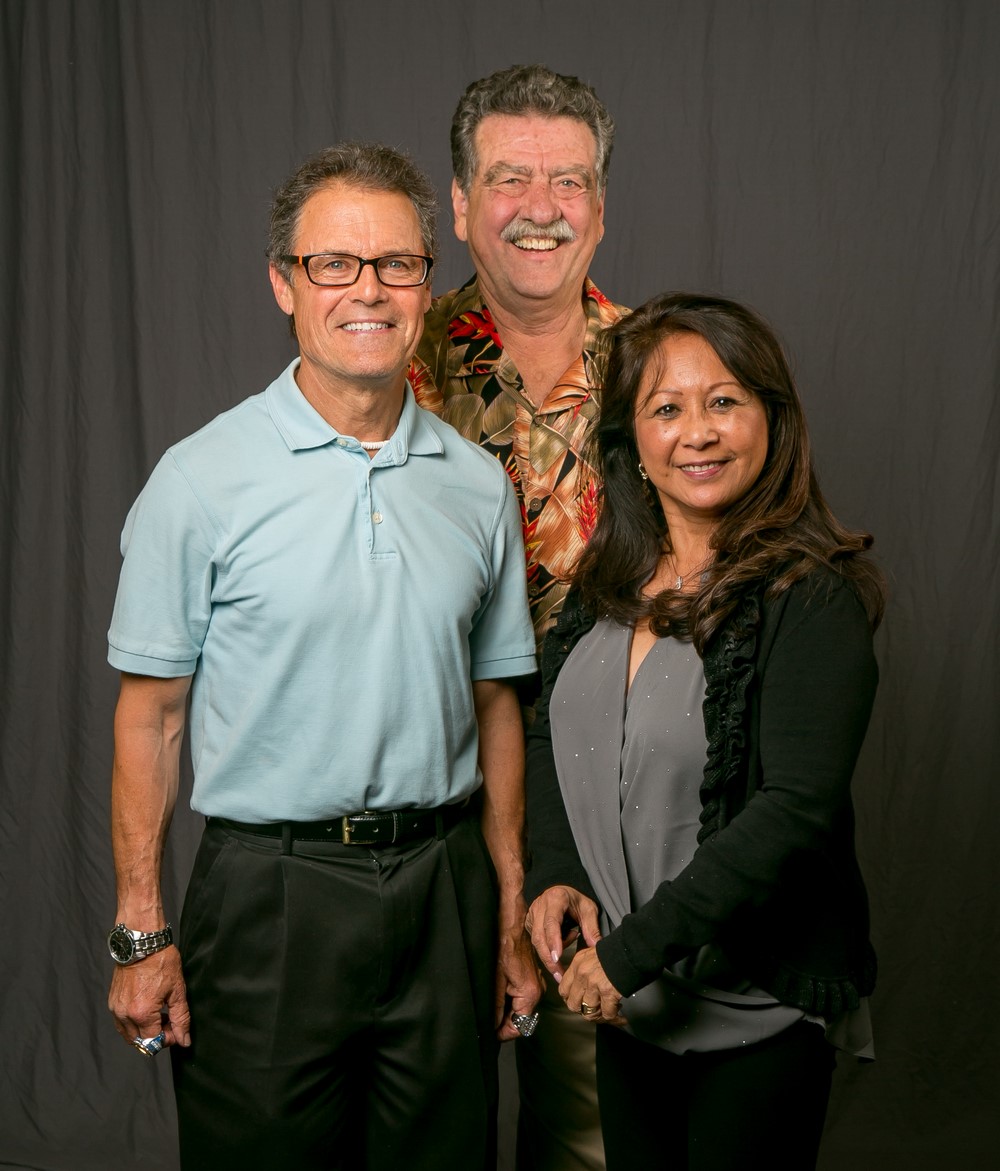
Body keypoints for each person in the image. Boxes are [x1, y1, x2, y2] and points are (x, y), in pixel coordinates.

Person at [105, 142, 540, 1171]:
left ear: (426, 286)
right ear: (282, 285)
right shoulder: (200, 480)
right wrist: (140, 929)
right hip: (270, 892)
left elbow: (495, 706)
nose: (368, 290)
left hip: (443, 887)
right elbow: (151, 716)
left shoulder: (478, 486)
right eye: (333, 264)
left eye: (395, 264)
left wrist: (508, 910)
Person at [524, 292, 886, 1170]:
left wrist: (628, 954)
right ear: (633, 445)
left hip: (750, 1007)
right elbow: (551, 734)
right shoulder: (607, 588)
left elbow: (793, 811)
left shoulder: (813, 596)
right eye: (667, 408)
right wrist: (559, 872)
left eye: (725, 400)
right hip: (632, 1005)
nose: (700, 432)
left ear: (772, 420)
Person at [410, 63, 626, 1171]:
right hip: (424, 811)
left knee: (588, 1127)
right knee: (424, 1117)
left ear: (600, 200)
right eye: (508, 180)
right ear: (457, 204)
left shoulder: (665, 372)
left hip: (608, 814)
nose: (540, 207)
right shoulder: (383, 368)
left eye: (568, 181)